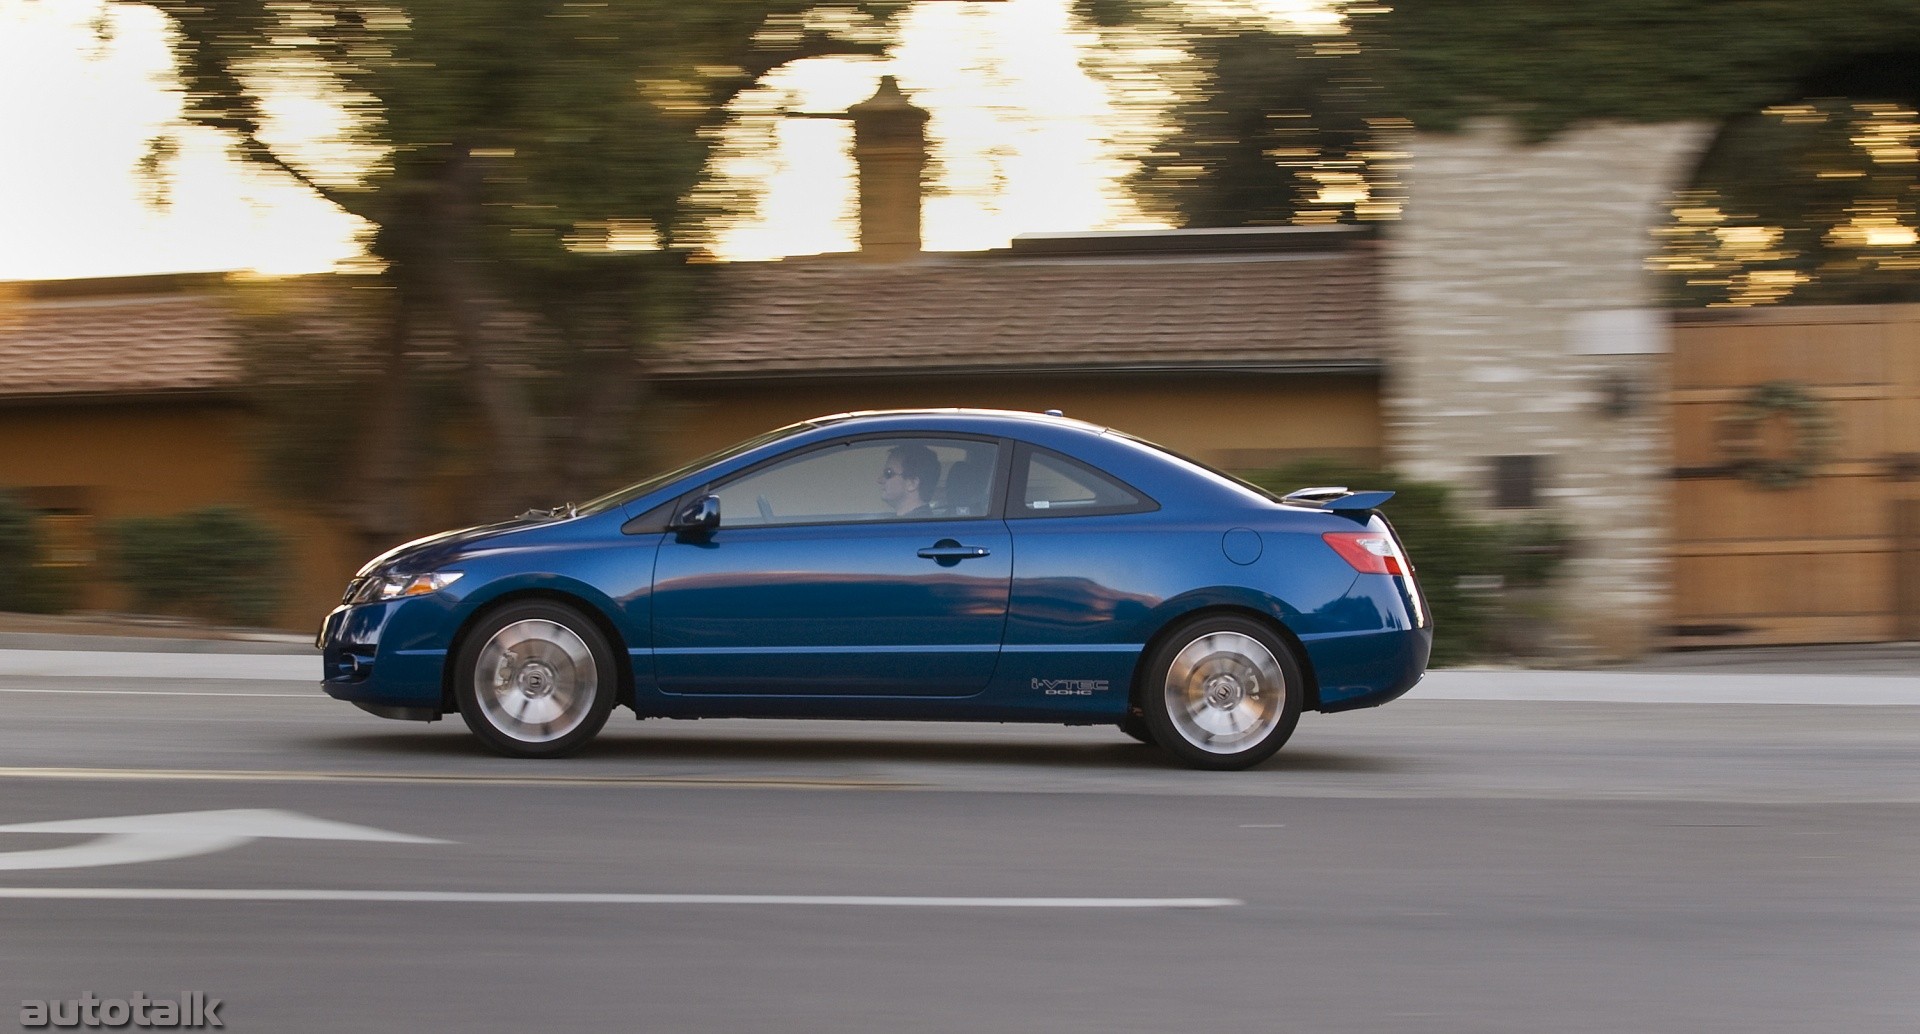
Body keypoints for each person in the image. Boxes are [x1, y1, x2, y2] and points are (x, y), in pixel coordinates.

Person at [878, 443, 940, 518]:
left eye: (888, 473)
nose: (879, 480)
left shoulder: (916, 526)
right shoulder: (924, 522)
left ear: (912, 483)